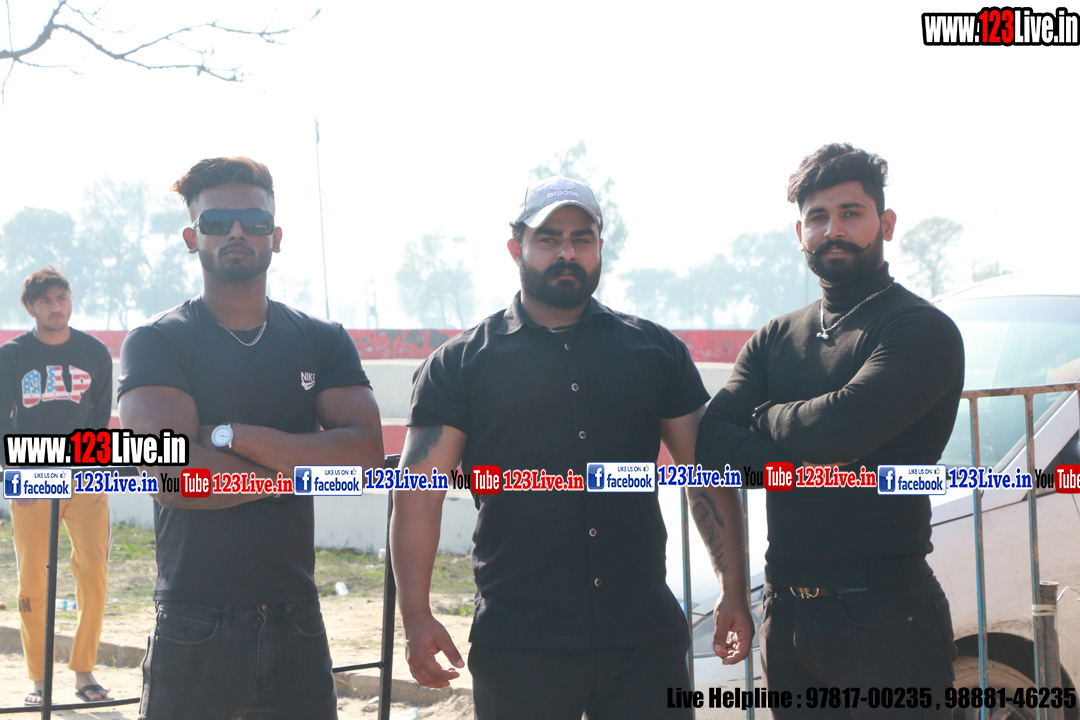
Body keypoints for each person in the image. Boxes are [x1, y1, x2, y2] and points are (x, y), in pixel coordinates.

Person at [390, 176, 751, 720]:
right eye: (548, 238)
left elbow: (706, 474)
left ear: (600, 248)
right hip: (521, 642)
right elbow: (418, 493)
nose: (567, 253)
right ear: (516, 249)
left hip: (643, 640)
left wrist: (733, 589)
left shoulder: (654, 352)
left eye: (582, 239)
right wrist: (416, 618)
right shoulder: (461, 364)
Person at [696, 143, 965, 718]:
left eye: (850, 213)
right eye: (817, 217)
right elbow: (712, 438)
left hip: (886, 617)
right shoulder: (776, 337)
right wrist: (799, 464)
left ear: (885, 224)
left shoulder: (920, 329)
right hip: (787, 617)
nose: (833, 229)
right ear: (801, 233)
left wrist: (763, 417)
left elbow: (834, 434)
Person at [117, 156, 384, 720]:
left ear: (275, 237)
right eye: (217, 222)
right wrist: (300, 467)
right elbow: (174, 478)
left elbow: (363, 457)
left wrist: (229, 436)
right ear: (192, 237)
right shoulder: (158, 341)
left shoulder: (321, 339)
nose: (236, 232)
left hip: (297, 615)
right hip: (194, 616)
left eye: (254, 221)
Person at [0, 267, 113, 706]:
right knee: (33, 579)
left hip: (85, 475)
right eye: (46, 301)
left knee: (93, 572)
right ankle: (39, 679)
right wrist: (16, 473)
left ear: (70, 300)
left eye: (61, 298)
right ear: (31, 308)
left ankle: (84, 671)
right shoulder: (12, 356)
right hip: (33, 475)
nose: (55, 307)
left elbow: (99, 419)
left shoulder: (94, 352)